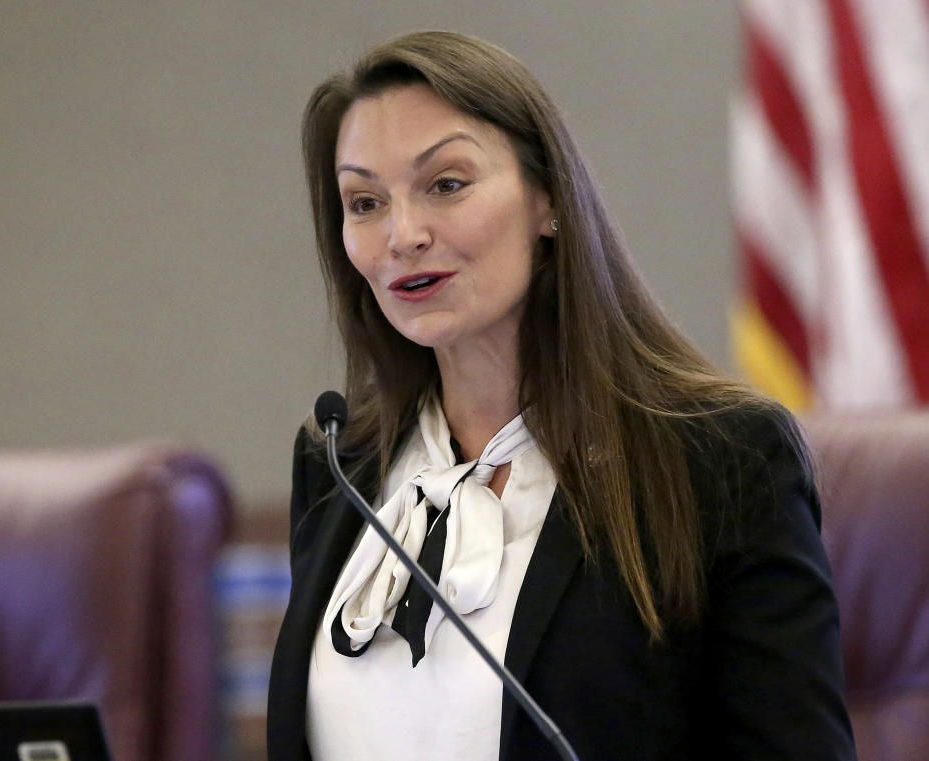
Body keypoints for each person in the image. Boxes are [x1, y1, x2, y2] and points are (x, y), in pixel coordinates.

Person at [267, 31, 857, 761]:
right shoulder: (338, 462)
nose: (403, 234)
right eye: (364, 202)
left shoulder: (721, 458)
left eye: (445, 184)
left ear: (547, 199)